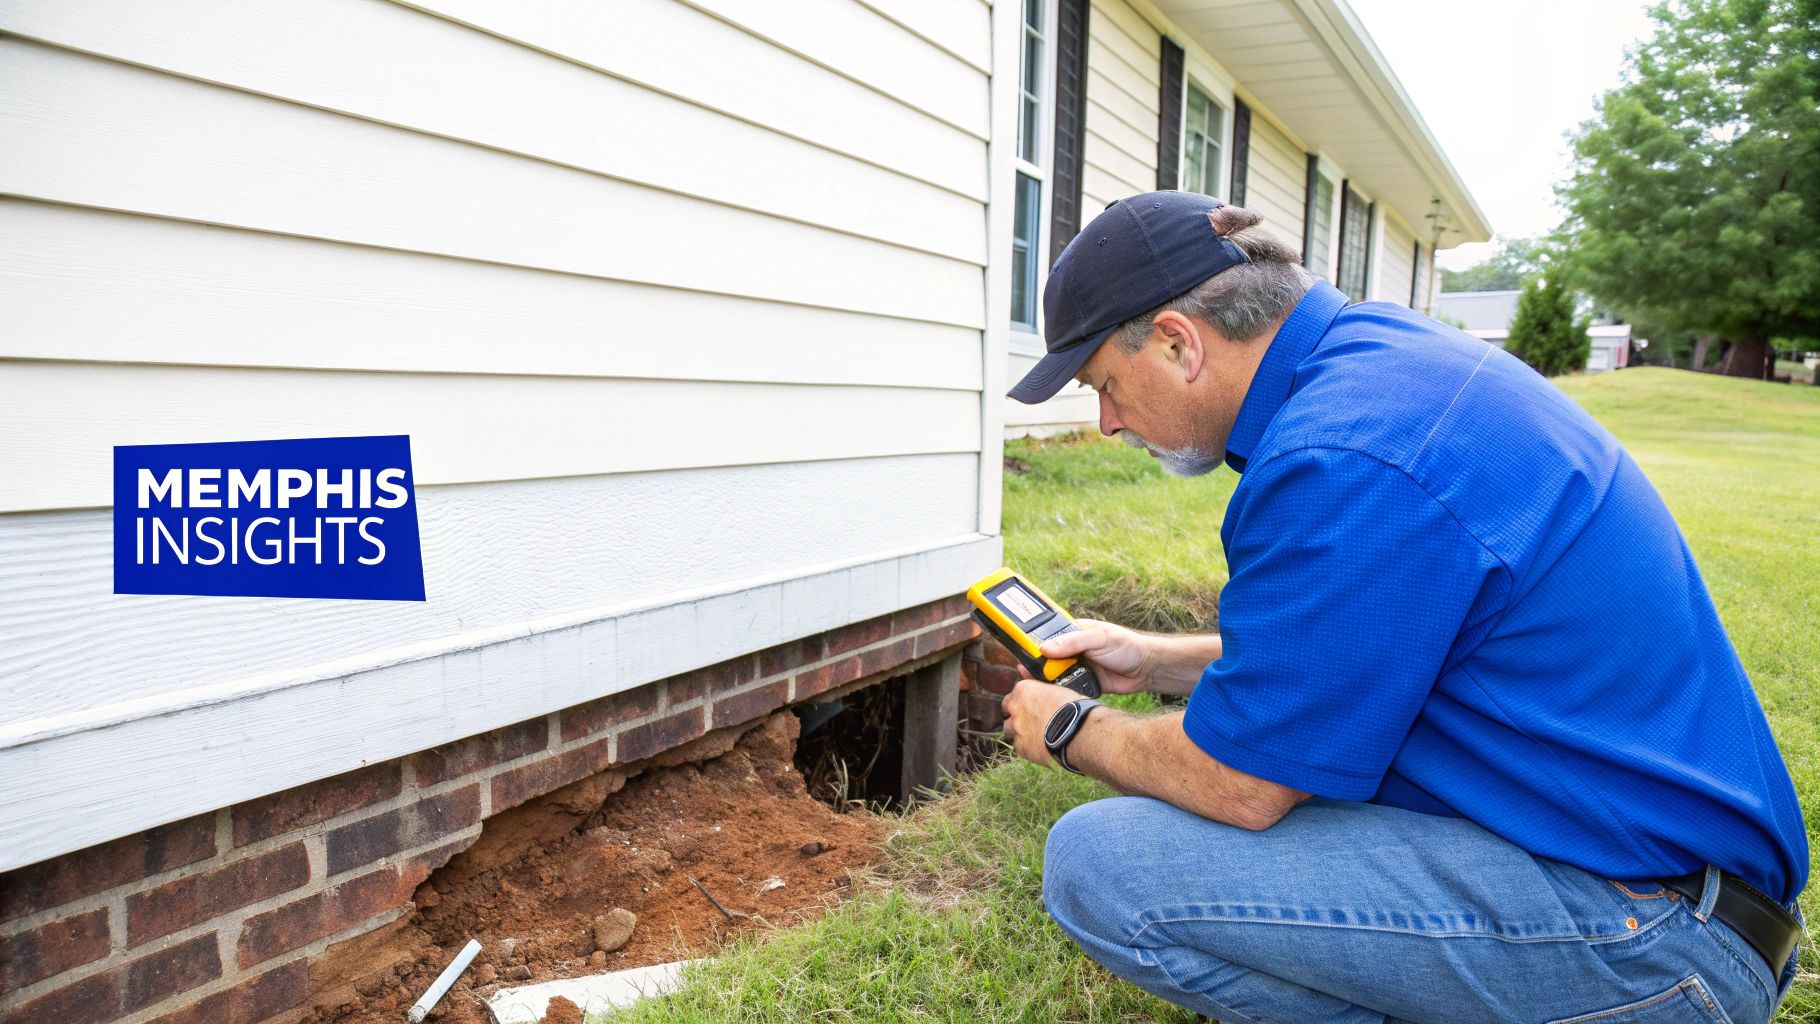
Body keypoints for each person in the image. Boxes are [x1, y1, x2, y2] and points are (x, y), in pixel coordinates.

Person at [999, 190, 1807, 1023]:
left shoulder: (1344, 456)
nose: (1105, 422)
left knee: (1101, 864)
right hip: (1681, 895)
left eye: (1105, 383)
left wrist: (1071, 730)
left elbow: (1240, 785)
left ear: (1176, 343)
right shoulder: (1381, 369)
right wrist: (1158, 660)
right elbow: (1368, 644)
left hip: (1654, 936)